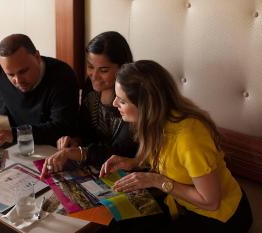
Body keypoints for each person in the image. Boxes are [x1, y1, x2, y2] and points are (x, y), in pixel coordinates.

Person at [100, 60, 253, 233]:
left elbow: (211, 201)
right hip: (183, 204)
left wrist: (155, 180)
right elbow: (169, 160)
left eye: (122, 100)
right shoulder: (156, 122)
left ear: (146, 106)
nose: (114, 104)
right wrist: (134, 162)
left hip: (222, 216)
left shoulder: (189, 138)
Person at [40, 31, 138, 177]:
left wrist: (79, 153)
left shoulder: (134, 97)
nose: (94, 76)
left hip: (127, 171)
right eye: (90, 67)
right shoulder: (90, 86)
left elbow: (122, 151)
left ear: (123, 67)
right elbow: (85, 129)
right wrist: (75, 140)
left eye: (104, 70)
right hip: (97, 166)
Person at [0, 34, 79, 148]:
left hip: (57, 147)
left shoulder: (62, 76)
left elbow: (60, 128)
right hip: (22, 144)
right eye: (10, 75)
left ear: (37, 57)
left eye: (23, 71)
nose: (18, 81)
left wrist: (15, 134)